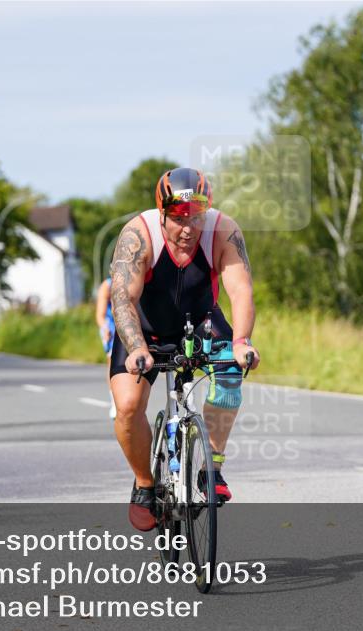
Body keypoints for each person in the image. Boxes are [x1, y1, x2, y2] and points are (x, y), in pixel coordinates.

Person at [109, 167, 259, 531]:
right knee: (128, 406)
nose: (188, 228)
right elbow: (123, 299)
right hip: (146, 329)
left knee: (230, 372)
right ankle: (145, 484)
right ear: (162, 212)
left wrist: (241, 342)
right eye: (178, 218)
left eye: (196, 216)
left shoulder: (223, 230)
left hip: (201, 321)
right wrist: (137, 347)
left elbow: (240, 290)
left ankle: (212, 468)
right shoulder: (138, 234)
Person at [95, 277, 117, 419]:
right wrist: (105, 328)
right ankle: (114, 401)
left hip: (128, 322)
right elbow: (100, 315)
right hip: (111, 326)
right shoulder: (107, 286)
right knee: (112, 362)